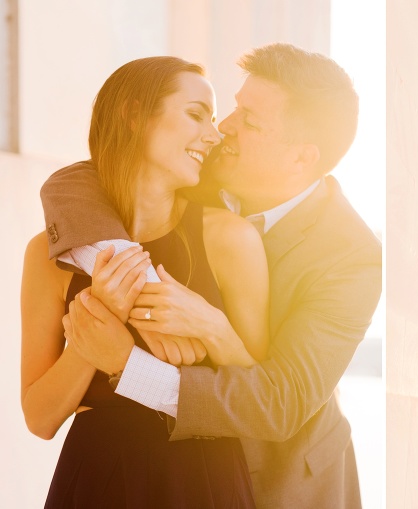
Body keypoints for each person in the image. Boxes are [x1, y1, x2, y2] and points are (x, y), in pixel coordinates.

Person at [39, 43, 382, 509]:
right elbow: (76, 181)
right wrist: (140, 287)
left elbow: (279, 403)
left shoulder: (353, 257)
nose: (223, 128)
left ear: (302, 158)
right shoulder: (201, 172)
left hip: (284, 477)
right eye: (235, 109)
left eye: (250, 122)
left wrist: (142, 358)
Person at [22, 56, 271, 507]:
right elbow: (39, 418)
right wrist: (94, 331)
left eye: (213, 120)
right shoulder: (47, 254)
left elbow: (257, 395)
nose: (213, 135)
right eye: (196, 114)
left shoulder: (230, 239)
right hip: (96, 479)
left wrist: (207, 322)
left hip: (204, 478)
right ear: (134, 115)